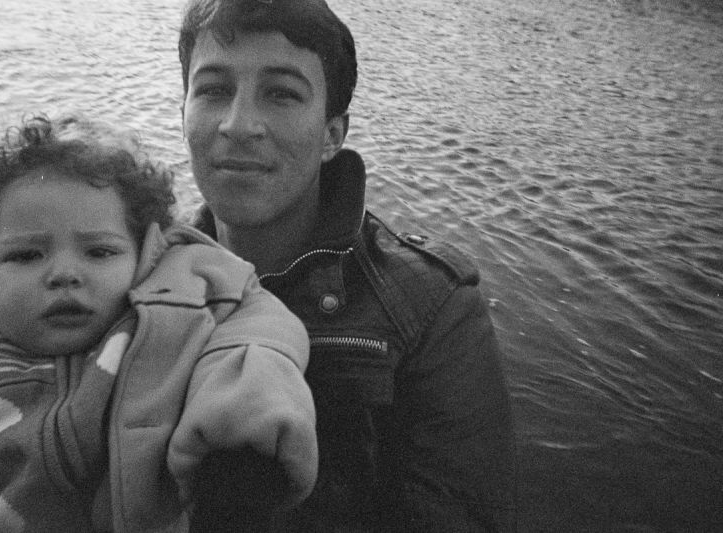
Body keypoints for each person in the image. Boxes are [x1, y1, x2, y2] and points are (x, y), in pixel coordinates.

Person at [178, 0, 518, 530]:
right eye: (214, 89)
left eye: (282, 93)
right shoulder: (132, 276)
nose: (238, 123)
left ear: (332, 134)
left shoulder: (431, 311)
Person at [0, 114, 318, 532]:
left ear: (144, 253)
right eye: (26, 255)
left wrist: (241, 415)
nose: (64, 274)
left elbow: (256, 325)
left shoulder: (168, 303)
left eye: (99, 252)